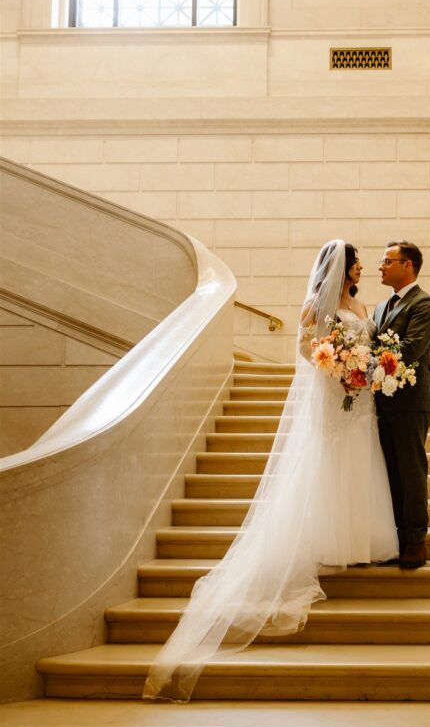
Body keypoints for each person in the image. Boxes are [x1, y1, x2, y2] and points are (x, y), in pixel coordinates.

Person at [143, 239, 398, 701]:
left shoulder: (361, 304)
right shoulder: (314, 306)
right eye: (358, 264)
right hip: (333, 394)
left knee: (360, 461)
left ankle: (360, 539)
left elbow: (366, 341)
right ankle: (329, 540)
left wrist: (364, 369)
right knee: (332, 462)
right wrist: (335, 365)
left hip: (360, 401)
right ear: (343, 268)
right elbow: (305, 347)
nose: (361, 270)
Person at [374, 241, 430, 569]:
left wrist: (365, 360)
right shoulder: (379, 307)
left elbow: (412, 349)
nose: (381, 266)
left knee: (411, 470)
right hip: (380, 401)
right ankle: (396, 537)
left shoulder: (425, 304)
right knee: (389, 472)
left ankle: (416, 540)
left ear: (409, 265)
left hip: (411, 401)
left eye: (388, 261)